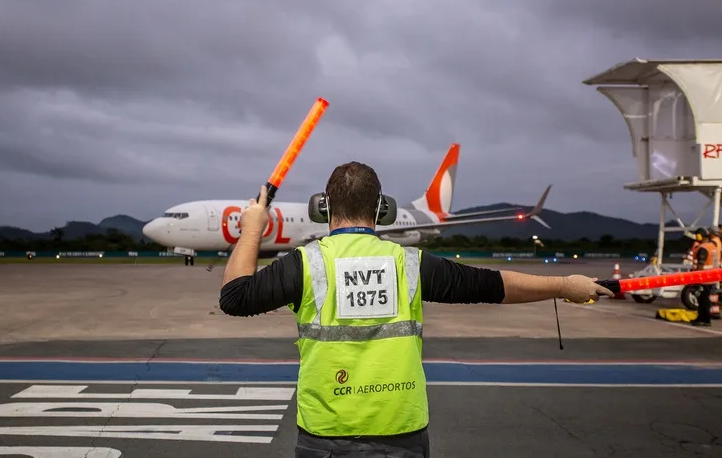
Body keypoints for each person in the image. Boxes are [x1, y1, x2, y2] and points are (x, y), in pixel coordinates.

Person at [219, 161, 614, 458]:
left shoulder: (305, 264)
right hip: (400, 433)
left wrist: (253, 227)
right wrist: (564, 285)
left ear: (323, 208)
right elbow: (493, 284)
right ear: (381, 210)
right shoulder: (408, 263)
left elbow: (235, 298)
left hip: (326, 434)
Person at [691, 228, 717, 327]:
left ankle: (705, 320)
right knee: (704, 299)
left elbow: (700, 265)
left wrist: (697, 280)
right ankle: (701, 318)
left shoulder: (703, 248)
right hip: (712, 276)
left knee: (703, 300)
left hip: (704, 278)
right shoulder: (713, 246)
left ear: (699, 236)